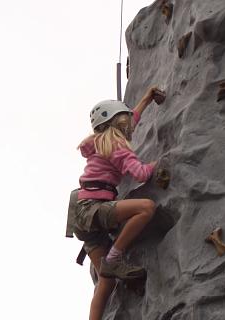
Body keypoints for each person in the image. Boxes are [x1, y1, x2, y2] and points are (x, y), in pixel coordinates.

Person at [72, 86, 165, 320]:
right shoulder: (117, 145)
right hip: (93, 210)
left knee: (106, 280)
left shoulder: (101, 142)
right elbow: (141, 174)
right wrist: (162, 161)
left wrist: (146, 98)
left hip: (81, 219)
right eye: (124, 122)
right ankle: (114, 257)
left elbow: (132, 117)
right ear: (117, 124)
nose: (129, 126)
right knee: (146, 208)